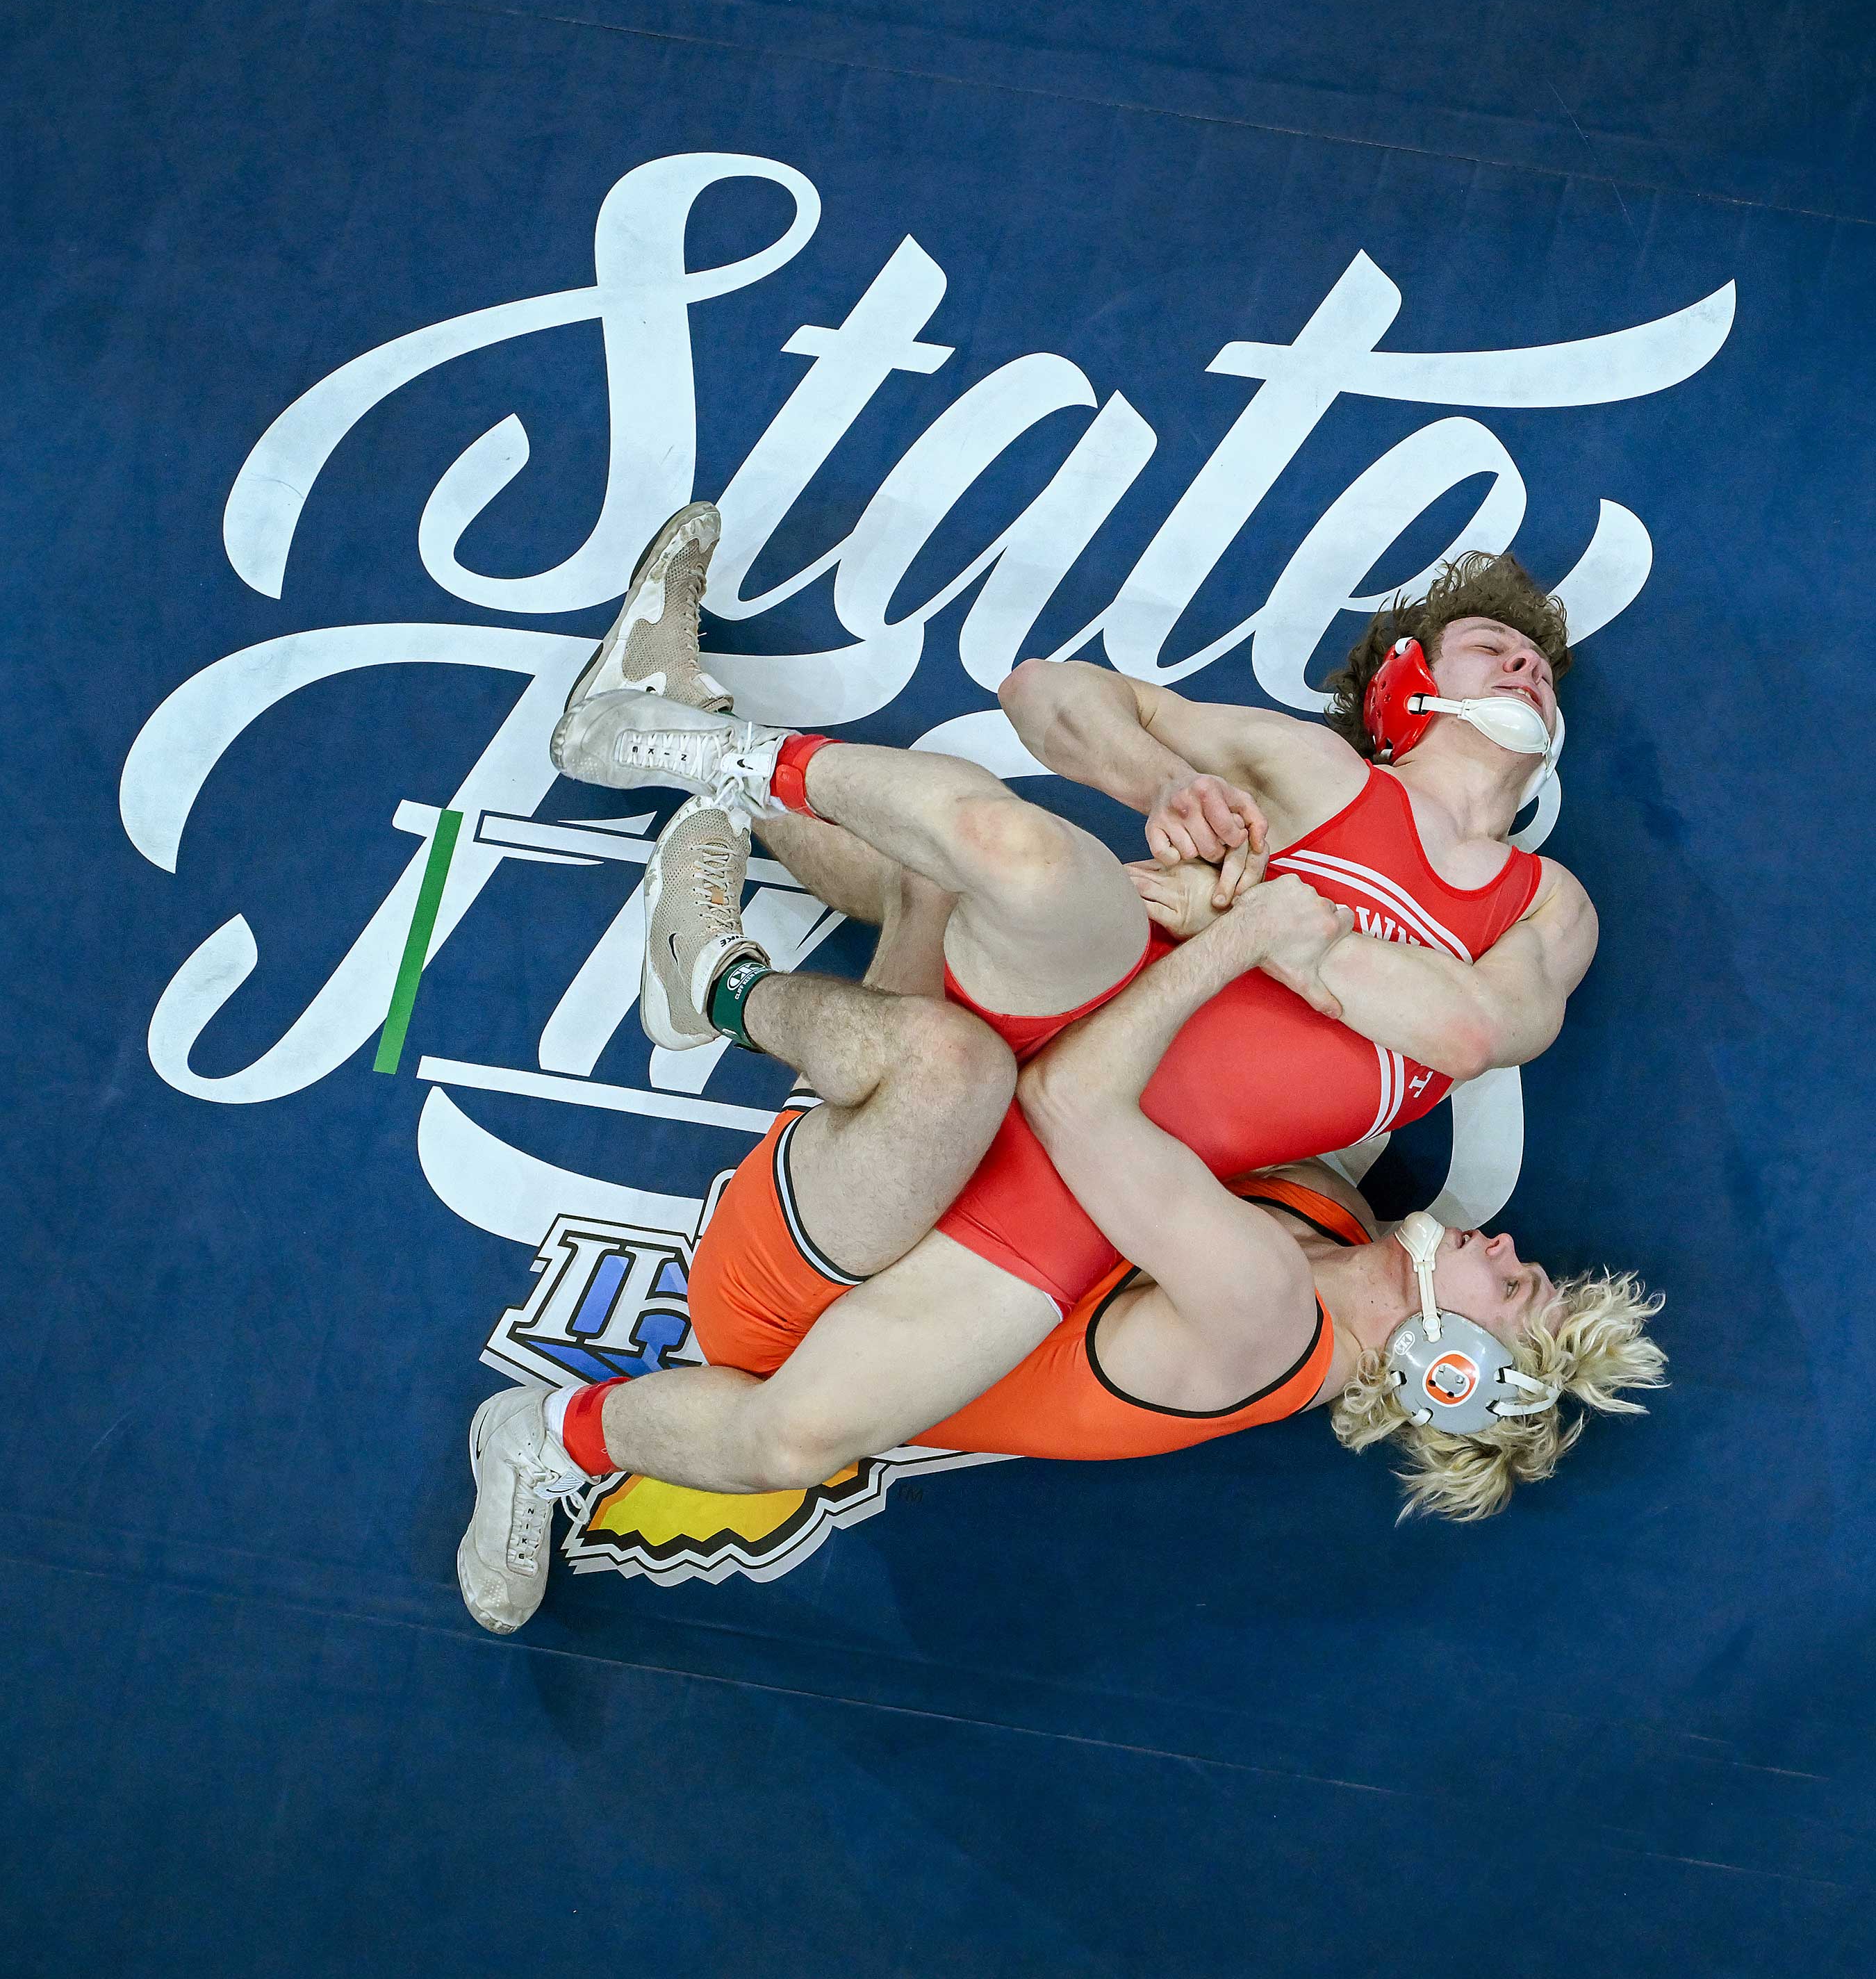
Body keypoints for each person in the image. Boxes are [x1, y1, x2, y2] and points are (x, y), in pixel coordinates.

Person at [456, 503, 1609, 1629]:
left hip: (959, 1228)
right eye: (1494, 648)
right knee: (991, 864)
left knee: (930, 1099)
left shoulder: (1538, 909)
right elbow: (1042, 693)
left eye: (1515, 1287)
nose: (1527, 668)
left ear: (1447, 1369)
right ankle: (687, 736)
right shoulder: (1311, 795)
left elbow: (1469, 1031)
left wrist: (1252, 922)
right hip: (1050, 1039)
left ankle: (716, 989)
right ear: (1405, 686)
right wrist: (1157, 784)